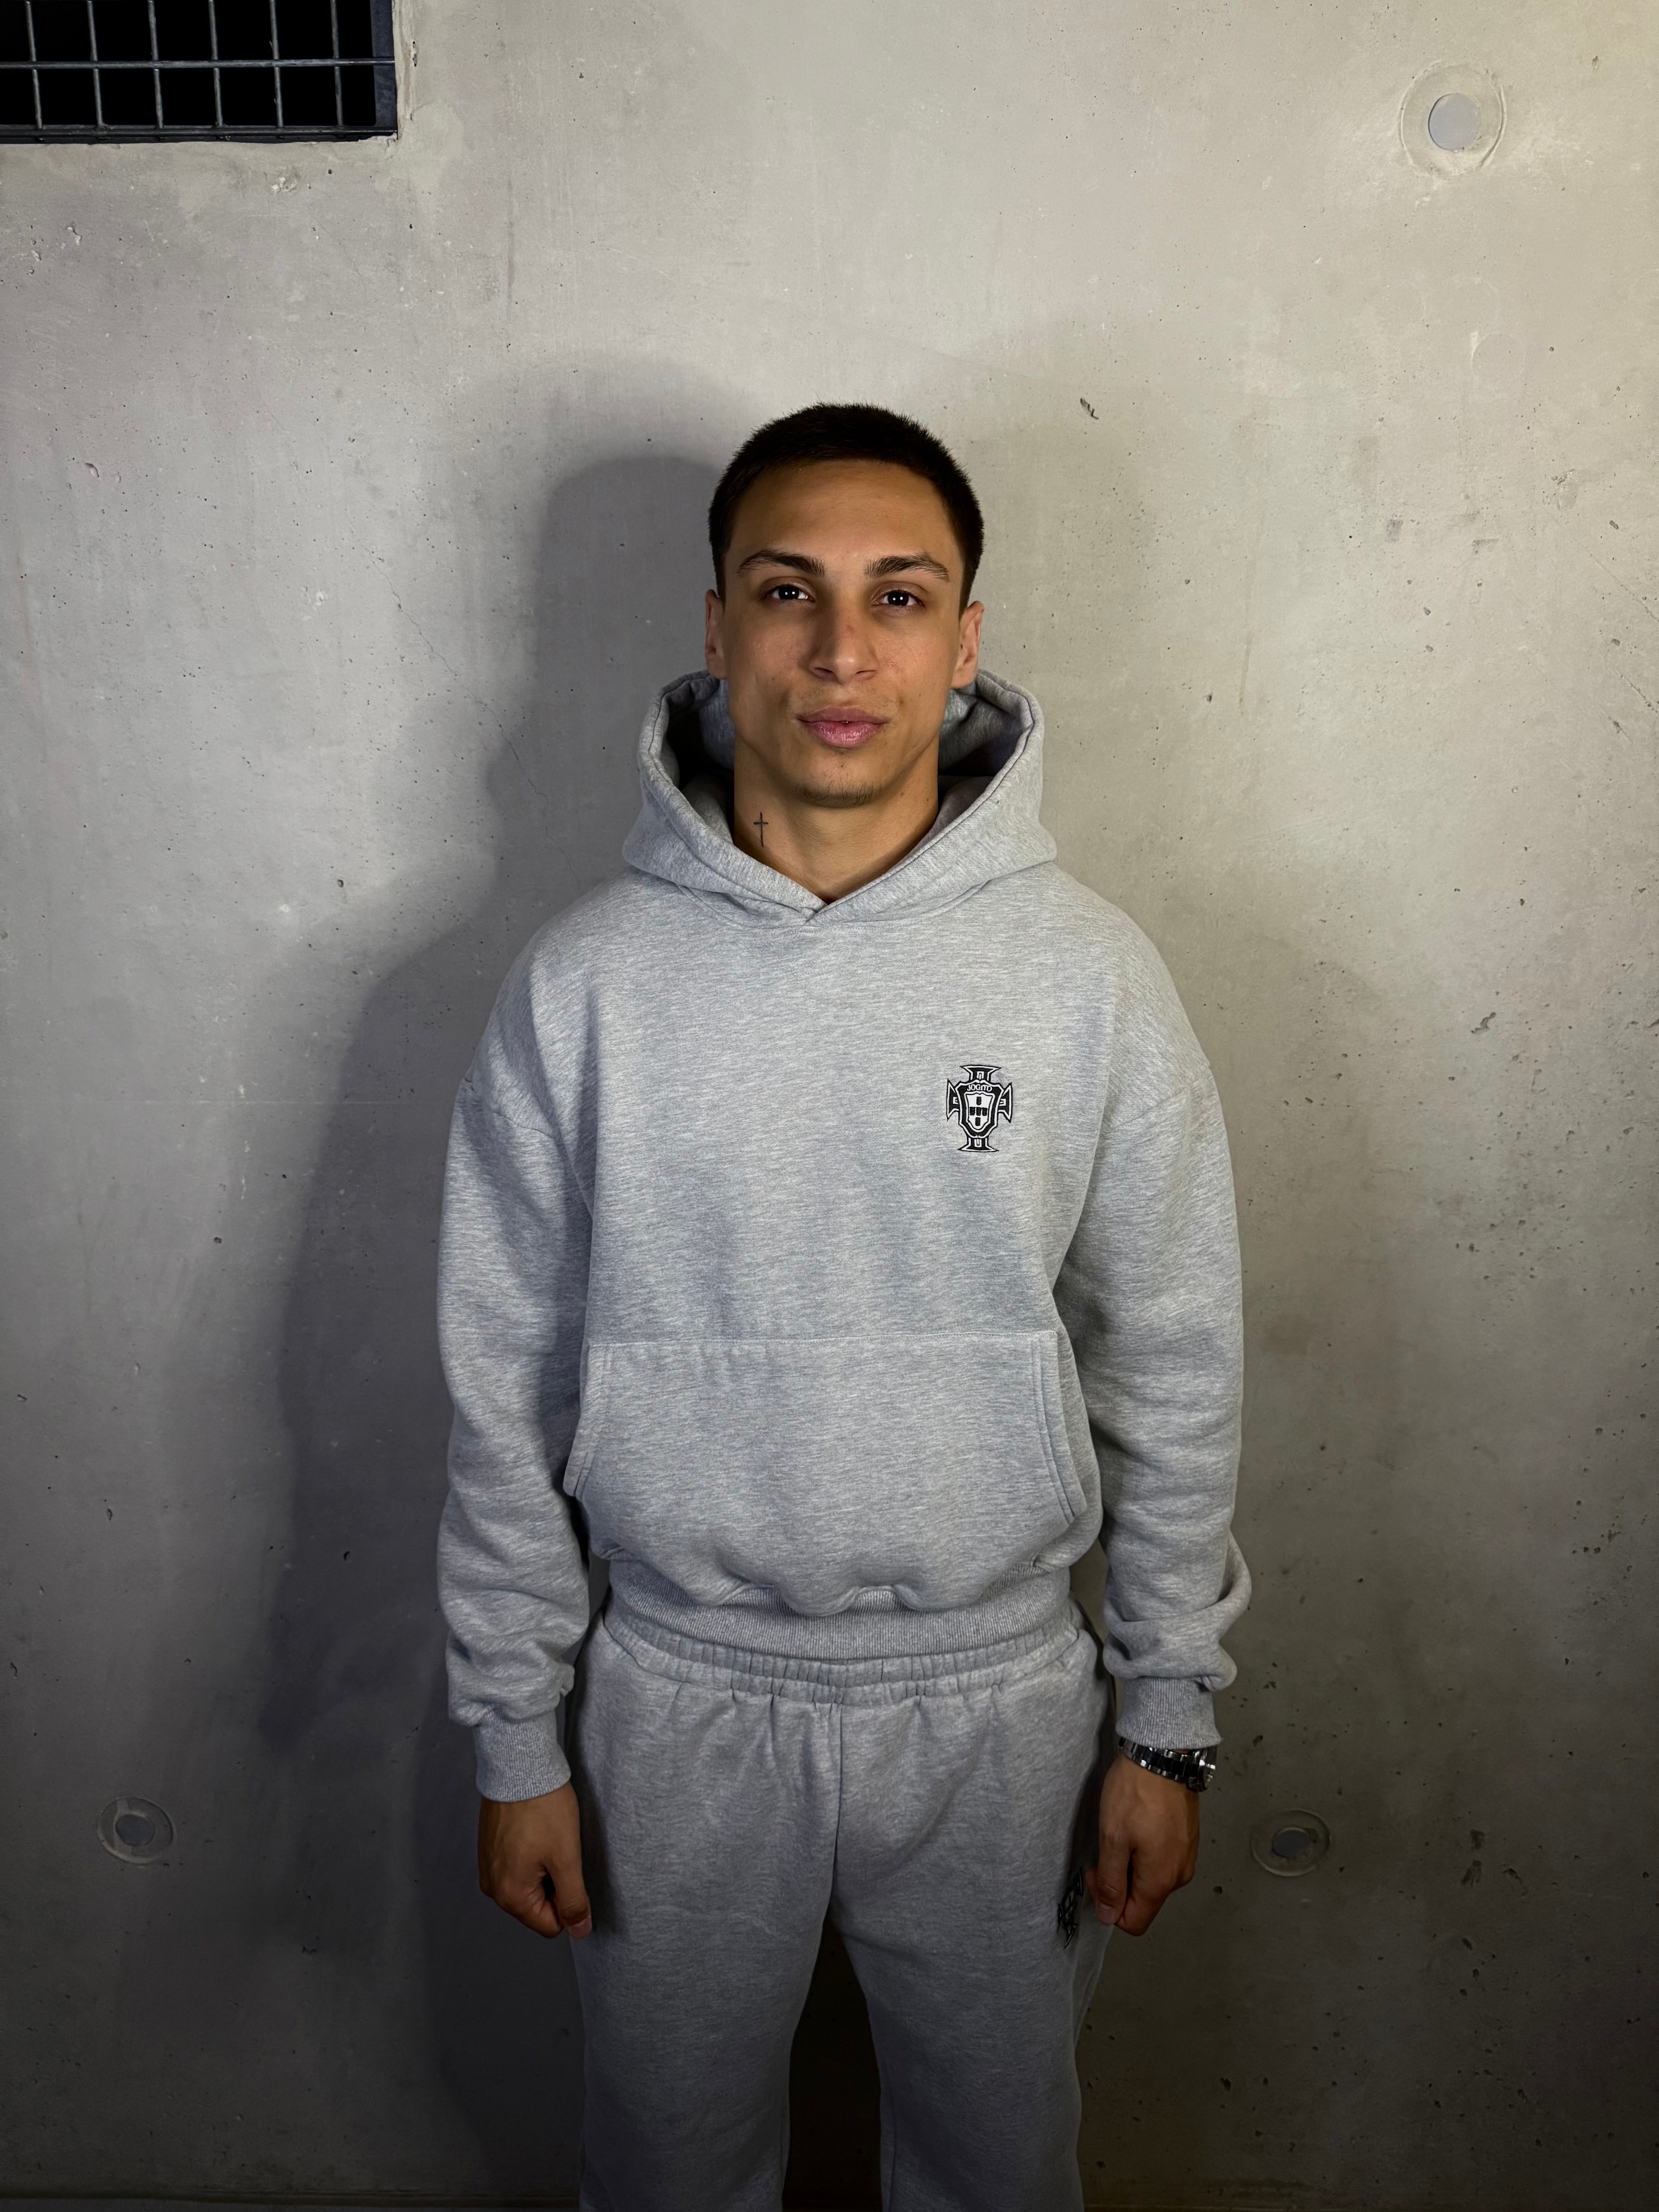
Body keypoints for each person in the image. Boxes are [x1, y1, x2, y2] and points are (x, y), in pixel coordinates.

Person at [435, 403, 1252, 2212]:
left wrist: (1165, 1712)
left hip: (1002, 1705)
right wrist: (516, 1730)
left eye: (899, 596)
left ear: (965, 644)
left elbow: (1174, 1367)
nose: (839, 650)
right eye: (787, 590)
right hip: (673, 1699)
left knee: (1000, 2171)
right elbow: (504, 1387)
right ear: (717, 626)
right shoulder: (584, 989)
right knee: (665, 2171)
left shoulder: (1089, 979)